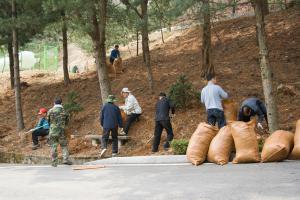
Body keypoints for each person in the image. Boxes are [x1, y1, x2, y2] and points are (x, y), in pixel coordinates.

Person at [47, 97, 72, 167]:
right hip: (62, 131)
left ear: (54, 103)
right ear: (61, 103)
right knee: (64, 145)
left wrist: (52, 126)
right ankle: (65, 159)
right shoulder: (65, 111)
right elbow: (67, 122)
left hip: (53, 131)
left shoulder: (50, 111)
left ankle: (54, 162)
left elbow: (48, 121)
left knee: (53, 146)